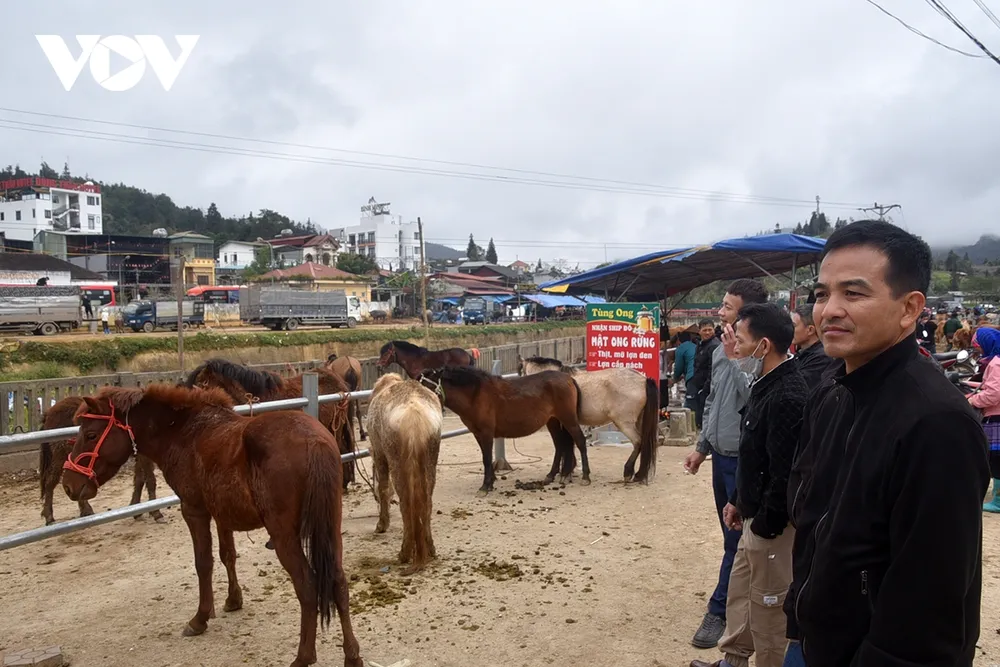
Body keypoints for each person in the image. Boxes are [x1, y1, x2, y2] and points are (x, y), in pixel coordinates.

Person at [786, 220, 988, 667]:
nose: (829, 310)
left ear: (909, 308)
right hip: (818, 642)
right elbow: (817, 523)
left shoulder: (937, 423)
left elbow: (930, 599)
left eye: (853, 294)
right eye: (822, 294)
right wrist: (799, 619)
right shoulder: (832, 393)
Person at [690, 302, 806, 667]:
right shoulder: (763, 384)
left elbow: (783, 472)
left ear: (764, 345)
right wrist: (739, 500)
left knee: (769, 606)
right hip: (753, 516)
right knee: (741, 593)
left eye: (739, 340)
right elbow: (753, 457)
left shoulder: (789, 395)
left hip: (772, 527)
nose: (734, 348)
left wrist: (768, 525)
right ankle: (734, 660)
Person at [684, 279, 769, 650]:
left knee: (736, 538)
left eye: (727, 307)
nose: (720, 312)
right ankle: (737, 596)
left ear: (747, 314)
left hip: (743, 459)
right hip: (720, 455)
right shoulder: (721, 348)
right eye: (721, 305)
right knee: (730, 537)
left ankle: (719, 611)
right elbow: (716, 399)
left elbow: (753, 396)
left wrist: (737, 355)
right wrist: (702, 447)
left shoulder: (760, 350)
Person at [970, 327, 1000, 513]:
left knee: (996, 459)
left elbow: (994, 393)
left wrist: (972, 399)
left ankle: (997, 501)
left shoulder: (996, 364)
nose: (979, 350)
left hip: (996, 416)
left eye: (979, 346)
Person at [790, 303, 838, 389]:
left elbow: (795, 387)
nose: (789, 329)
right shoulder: (802, 353)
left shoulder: (821, 358)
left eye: (793, 325)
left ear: (810, 330)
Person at [690, 319, 720, 429]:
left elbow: (712, 370)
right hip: (699, 386)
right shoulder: (700, 345)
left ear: (714, 330)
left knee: (707, 418)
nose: (707, 333)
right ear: (699, 331)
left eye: (710, 330)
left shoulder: (714, 346)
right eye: (704, 330)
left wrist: (705, 389)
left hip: (708, 389)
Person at [674, 331, 698, 410]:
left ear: (678, 340)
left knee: (689, 405)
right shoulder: (696, 346)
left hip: (692, 378)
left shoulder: (681, 348)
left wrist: (675, 379)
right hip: (702, 376)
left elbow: (678, 367)